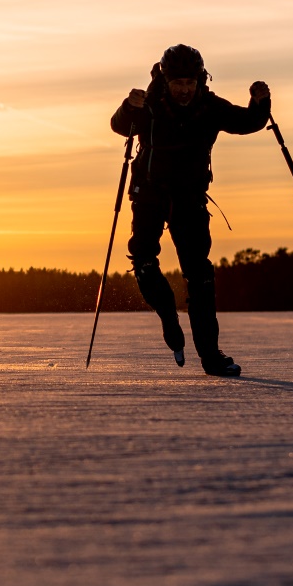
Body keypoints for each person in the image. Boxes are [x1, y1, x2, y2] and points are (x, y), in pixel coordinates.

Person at [110, 43, 268, 376]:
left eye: (190, 82)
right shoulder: (148, 105)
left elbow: (247, 122)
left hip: (190, 197)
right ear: (165, 80)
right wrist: (128, 106)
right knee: (143, 258)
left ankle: (211, 357)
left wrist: (260, 102)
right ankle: (168, 314)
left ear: (200, 80)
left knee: (199, 276)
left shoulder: (209, 107)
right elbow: (121, 126)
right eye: (178, 82)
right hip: (149, 193)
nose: (185, 89)